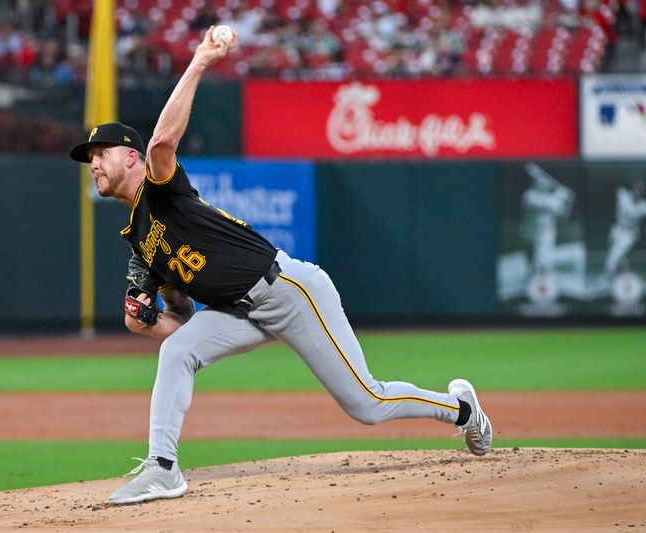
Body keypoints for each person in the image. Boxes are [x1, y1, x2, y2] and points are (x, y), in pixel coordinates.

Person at [69, 27, 493, 506]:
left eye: (99, 155)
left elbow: (163, 140)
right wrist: (146, 320)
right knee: (177, 352)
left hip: (287, 290)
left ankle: (461, 410)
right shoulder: (139, 241)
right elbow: (174, 326)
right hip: (235, 310)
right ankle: (163, 469)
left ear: (129, 156)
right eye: (88, 160)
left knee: (366, 404)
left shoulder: (159, 187)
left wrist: (200, 61)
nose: (93, 165)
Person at [519, 162, 574, 277]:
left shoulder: (550, 197)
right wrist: (561, 195)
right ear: (534, 183)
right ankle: (532, 275)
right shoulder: (529, 196)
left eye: (543, 182)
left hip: (545, 232)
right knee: (530, 260)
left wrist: (569, 201)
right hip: (529, 231)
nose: (542, 184)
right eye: (539, 182)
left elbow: (563, 214)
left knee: (543, 261)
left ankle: (540, 277)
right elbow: (548, 204)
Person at [601, 180, 646, 282]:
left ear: (644, 192)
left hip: (630, 234)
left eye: (641, 190)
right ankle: (624, 277)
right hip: (617, 229)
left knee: (614, 255)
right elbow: (611, 183)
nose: (638, 191)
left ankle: (604, 279)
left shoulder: (643, 206)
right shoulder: (623, 195)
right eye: (637, 188)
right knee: (619, 257)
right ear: (633, 188)